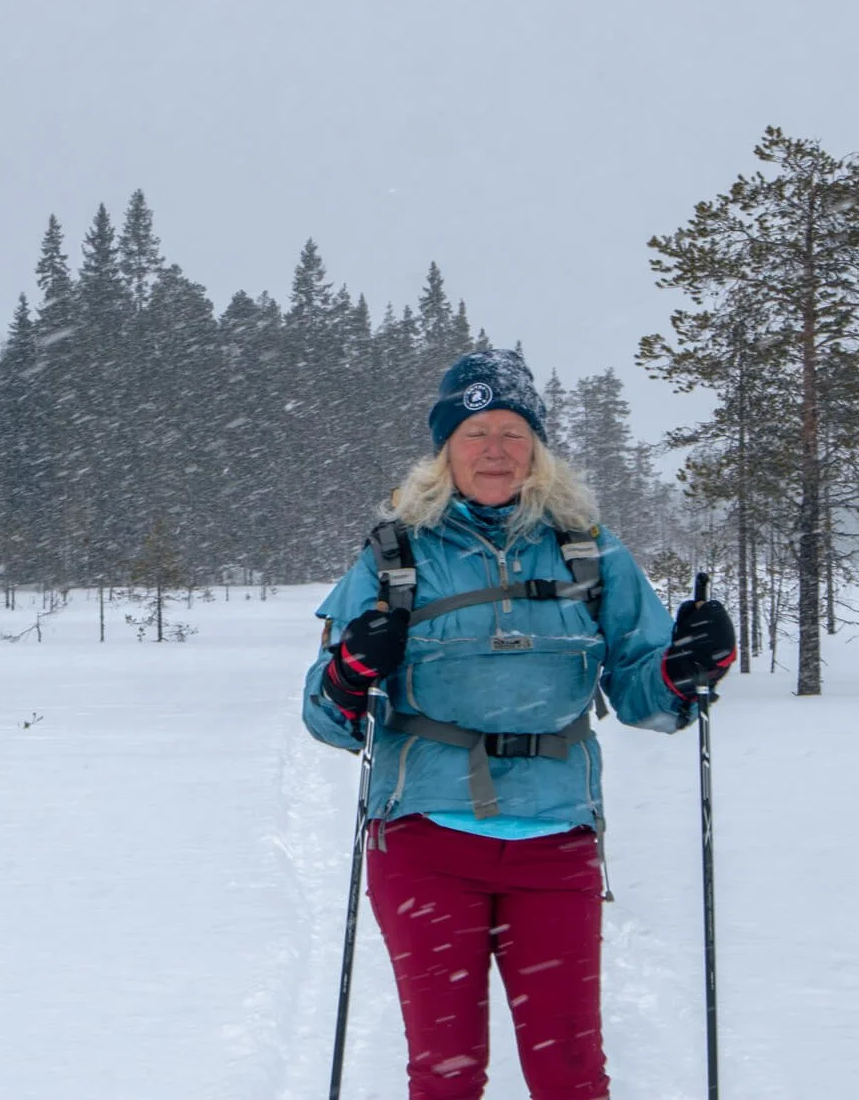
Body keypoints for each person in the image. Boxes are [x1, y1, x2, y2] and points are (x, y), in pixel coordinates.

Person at [302, 348, 736, 1100]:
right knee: (446, 1074)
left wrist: (689, 667)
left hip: (555, 844)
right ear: (445, 451)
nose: (494, 450)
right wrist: (351, 673)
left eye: (512, 431)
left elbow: (645, 692)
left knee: (570, 1074)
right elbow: (327, 714)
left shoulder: (589, 549)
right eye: (474, 433)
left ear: (538, 448)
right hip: (423, 842)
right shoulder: (394, 557)